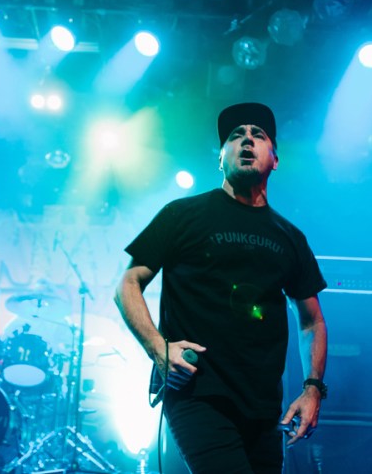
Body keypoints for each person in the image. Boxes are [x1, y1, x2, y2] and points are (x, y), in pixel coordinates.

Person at [114, 102, 328, 474]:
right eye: (235, 135)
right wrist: (157, 347)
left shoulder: (290, 237)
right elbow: (128, 284)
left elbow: (313, 321)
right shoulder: (182, 215)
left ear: (275, 159)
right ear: (220, 158)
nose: (247, 140)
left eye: (258, 135)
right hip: (198, 394)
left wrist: (313, 388)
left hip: (265, 407)